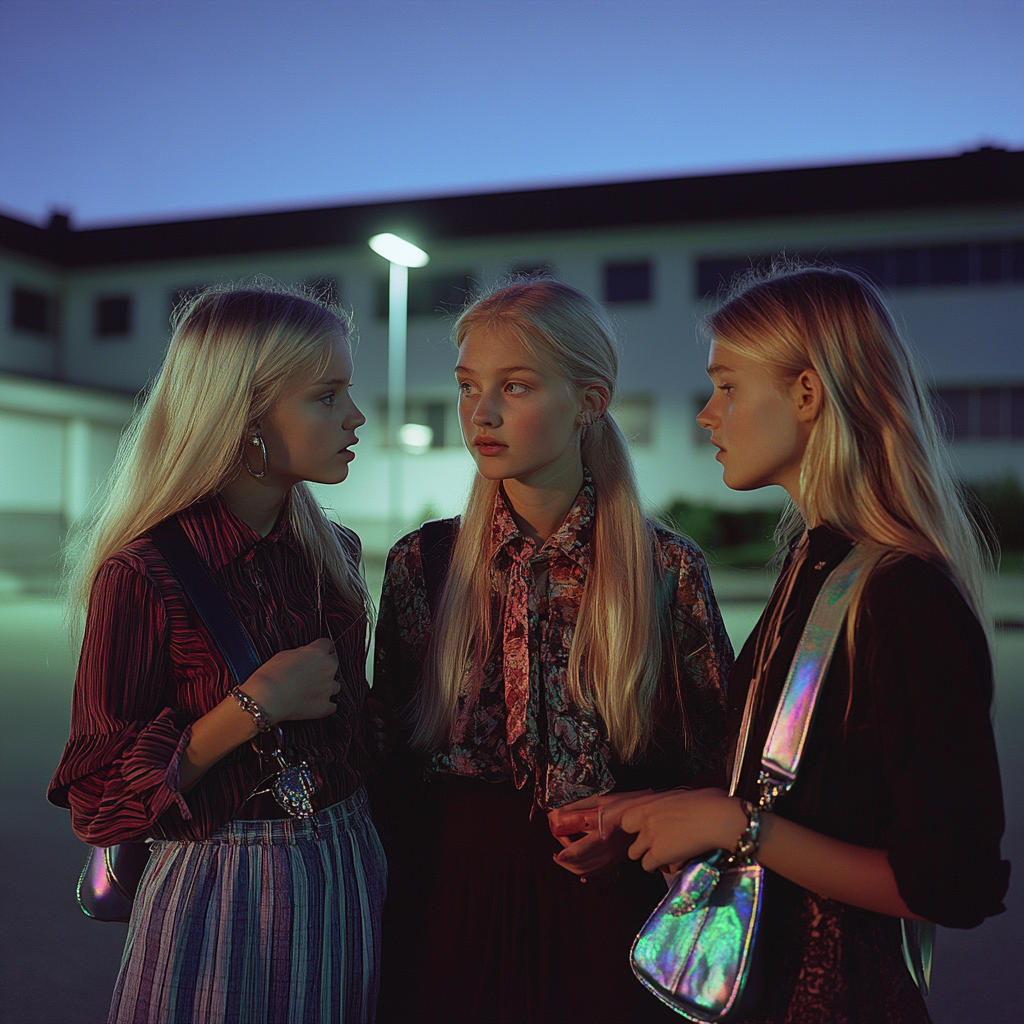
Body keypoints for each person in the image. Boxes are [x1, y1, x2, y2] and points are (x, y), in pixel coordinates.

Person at [562, 265, 1009, 1022]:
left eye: (728, 387)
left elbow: (951, 885)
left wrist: (741, 828)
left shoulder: (904, 597)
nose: (708, 415)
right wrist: (659, 810)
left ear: (807, 394)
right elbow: (806, 793)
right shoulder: (816, 565)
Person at [371, 278, 733, 1024]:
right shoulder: (423, 562)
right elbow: (391, 762)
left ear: (590, 401)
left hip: (612, 899)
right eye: (469, 387)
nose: (483, 412)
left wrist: (640, 830)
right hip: (448, 897)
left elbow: (714, 758)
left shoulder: (664, 567)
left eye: (516, 386)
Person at [48, 286, 386, 1024]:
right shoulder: (143, 573)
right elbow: (101, 797)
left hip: (347, 866)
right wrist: (253, 707)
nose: (355, 417)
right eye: (327, 396)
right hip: (222, 889)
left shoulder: (336, 555)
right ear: (248, 418)